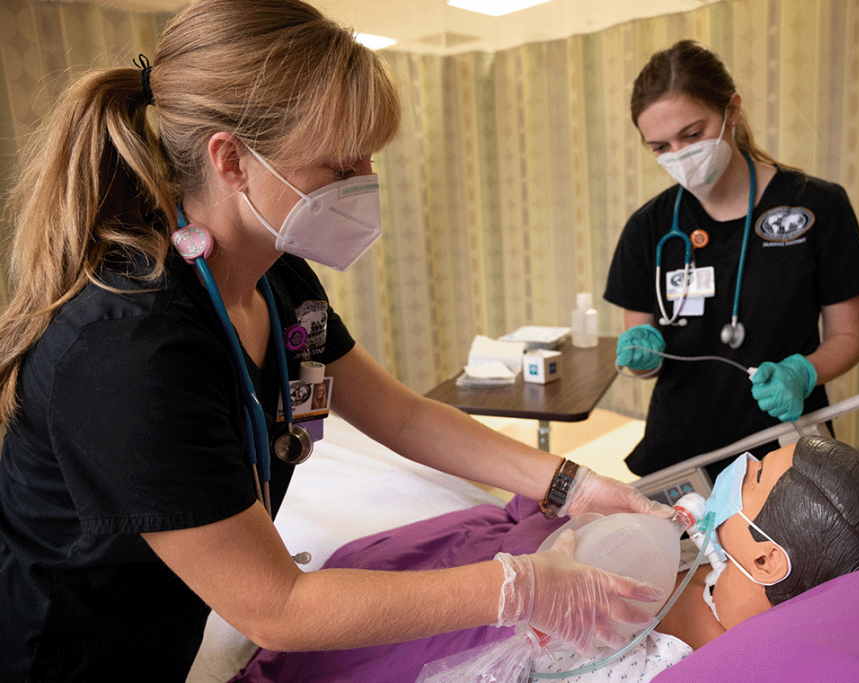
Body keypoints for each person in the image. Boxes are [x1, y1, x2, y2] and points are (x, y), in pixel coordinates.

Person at [0, 1, 675, 680]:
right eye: (340, 166)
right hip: (63, 653)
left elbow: (402, 414)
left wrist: (570, 483)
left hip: (171, 621)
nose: (364, 187)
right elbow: (279, 606)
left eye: (368, 161)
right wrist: (520, 587)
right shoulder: (126, 347)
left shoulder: (277, 279)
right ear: (230, 158)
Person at [227, 435, 859, 683]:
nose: (738, 465)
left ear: (767, 559)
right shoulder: (713, 577)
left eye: (758, 472)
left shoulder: (683, 661)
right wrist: (572, 493)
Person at [605, 40, 859, 477]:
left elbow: (848, 337)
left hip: (783, 442)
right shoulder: (649, 228)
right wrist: (641, 359)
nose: (679, 154)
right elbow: (643, 349)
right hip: (680, 448)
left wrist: (803, 372)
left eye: (692, 134)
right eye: (660, 146)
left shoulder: (816, 207)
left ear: (732, 110)